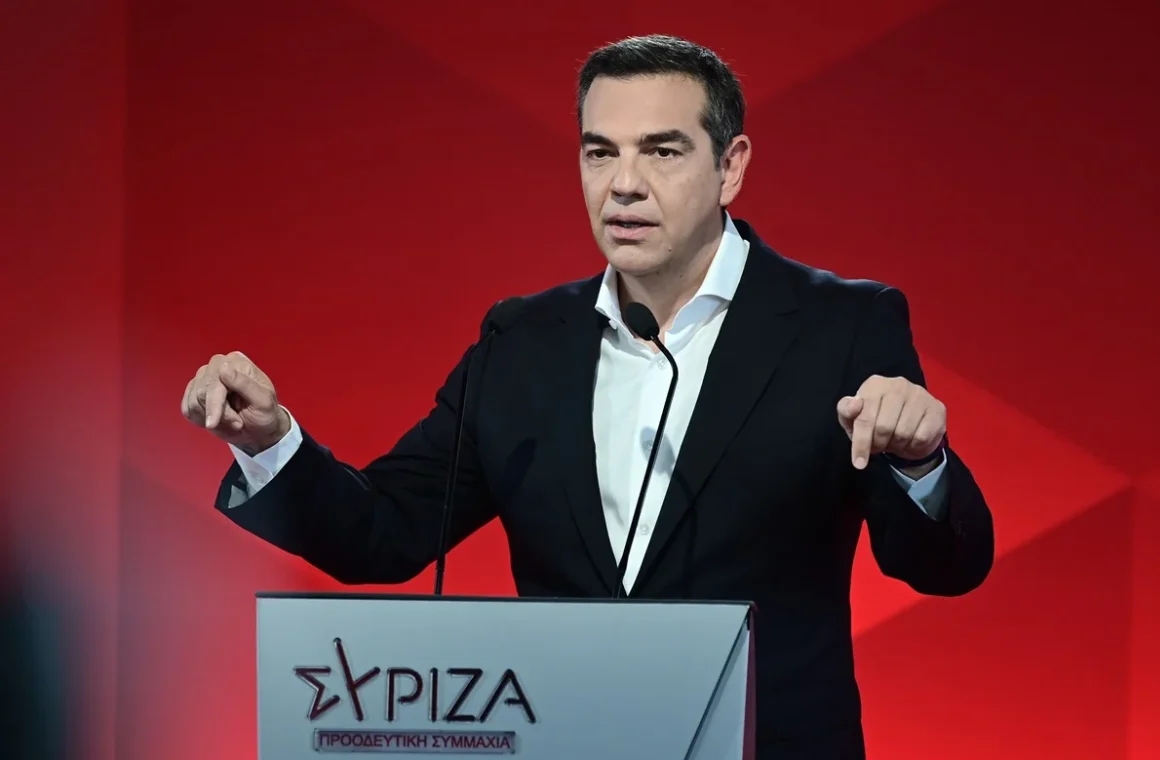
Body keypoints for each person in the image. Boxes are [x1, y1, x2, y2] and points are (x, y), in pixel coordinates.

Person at [181, 34, 994, 760]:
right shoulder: (520, 342)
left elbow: (944, 567)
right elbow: (383, 533)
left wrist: (922, 464)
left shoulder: (840, 328)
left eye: (662, 151)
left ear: (731, 166)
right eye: (600, 153)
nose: (624, 185)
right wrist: (269, 442)